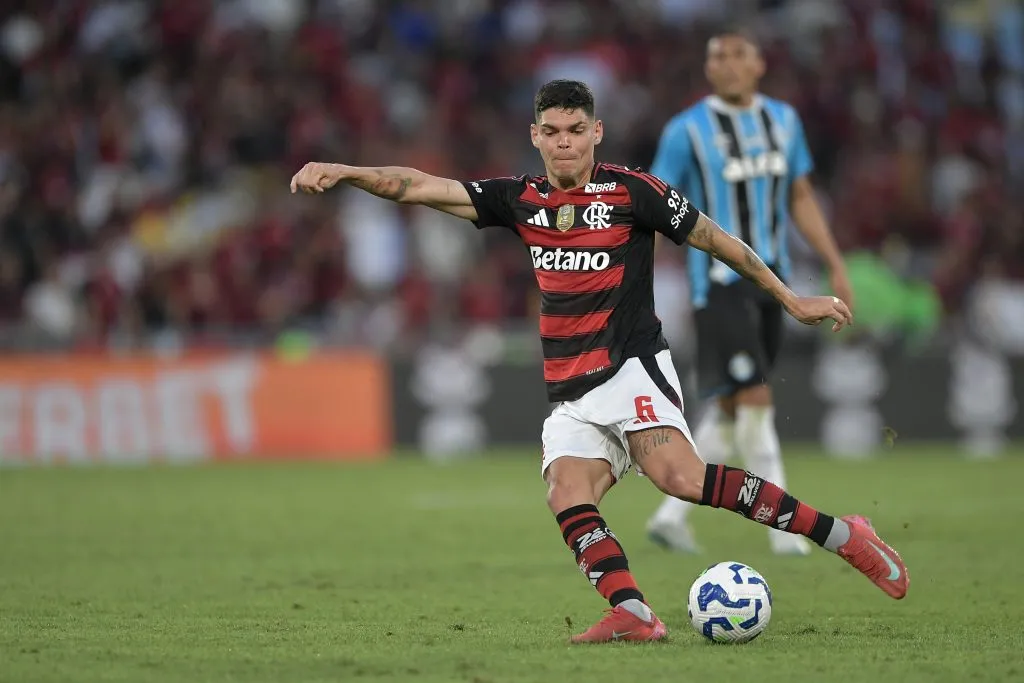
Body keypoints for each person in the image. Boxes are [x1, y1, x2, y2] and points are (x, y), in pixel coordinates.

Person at [290, 79, 907, 644]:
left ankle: (844, 536)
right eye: (552, 132)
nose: (564, 144)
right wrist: (345, 171)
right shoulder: (519, 199)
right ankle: (634, 613)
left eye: (575, 131)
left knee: (682, 480)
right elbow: (418, 185)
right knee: (567, 492)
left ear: (596, 132)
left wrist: (789, 297)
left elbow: (717, 240)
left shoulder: (633, 193)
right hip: (569, 386)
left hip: (631, 367)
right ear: (535, 136)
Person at [645, 27, 856, 556]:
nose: (726, 64)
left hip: (774, 282)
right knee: (756, 396)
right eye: (716, 56)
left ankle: (670, 517)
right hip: (717, 284)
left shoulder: (783, 121)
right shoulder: (685, 130)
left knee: (734, 408)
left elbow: (801, 196)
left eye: (738, 54)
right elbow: (650, 203)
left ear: (759, 64)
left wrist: (833, 262)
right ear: (708, 68)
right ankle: (786, 531)